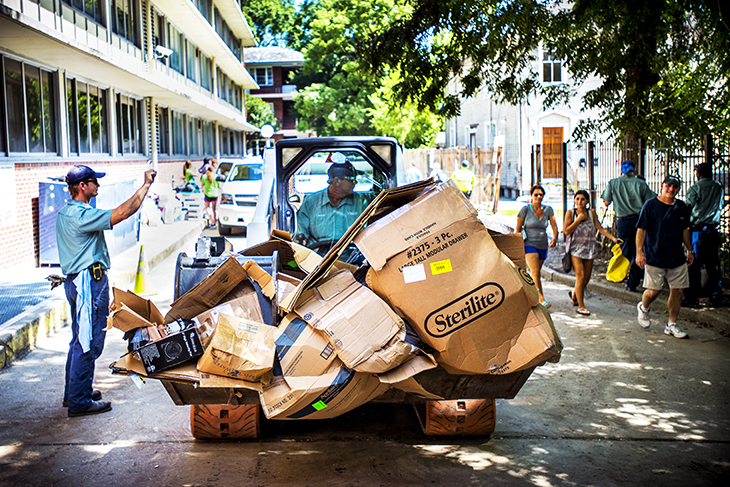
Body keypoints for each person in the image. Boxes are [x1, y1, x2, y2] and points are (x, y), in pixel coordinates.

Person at [56, 164, 156, 417]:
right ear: (82, 186)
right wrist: (145, 185)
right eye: (93, 181)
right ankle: (79, 401)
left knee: (79, 339)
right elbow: (123, 212)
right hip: (88, 283)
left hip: (78, 282)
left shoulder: (67, 213)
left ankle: (75, 393)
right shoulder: (81, 215)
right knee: (88, 342)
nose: (97, 185)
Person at [635, 175, 694, 339]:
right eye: (668, 186)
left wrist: (690, 250)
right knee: (654, 290)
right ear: (662, 186)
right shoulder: (651, 205)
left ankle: (671, 324)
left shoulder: (681, 207)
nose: (671, 189)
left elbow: (685, 231)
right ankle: (644, 307)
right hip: (655, 255)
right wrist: (639, 252)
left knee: (678, 290)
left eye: (675, 187)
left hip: (677, 257)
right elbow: (641, 230)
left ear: (678, 189)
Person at [601, 160, 656, 292]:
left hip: (622, 222)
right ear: (634, 169)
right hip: (639, 220)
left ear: (621, 169)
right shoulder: (640, 184)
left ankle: (627, 277)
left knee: (625, 250)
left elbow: (606, 201)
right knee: (639, 249)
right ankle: (634, 280)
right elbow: (651, 200)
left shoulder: (613, 183)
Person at [296, 161, 369, 256]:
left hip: (352, 258)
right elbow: (300, 237)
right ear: (337, 181)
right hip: (317, 259)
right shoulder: (311, 202)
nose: (355, 182)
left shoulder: (360, 202)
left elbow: (368, 234)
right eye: (352, 179)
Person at [564, 190, 619, 316]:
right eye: (577, 199)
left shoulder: (591, 213)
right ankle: (581, 306)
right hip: (575, 250)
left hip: (589, 249)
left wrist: (613, 238)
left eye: (582, 199)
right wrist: (578, 220)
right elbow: (566, 231)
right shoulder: (570, 213)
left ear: (587, 201)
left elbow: (599, 228)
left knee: (586, 279)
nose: (580, 202)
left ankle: (574, 295)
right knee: (581, 276)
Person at [682, 162, 725, 308]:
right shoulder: (718, 187)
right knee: (713, 265)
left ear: (698, 174)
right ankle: (715, 296)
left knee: (693, 265)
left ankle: (692, 297)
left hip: (698, 230)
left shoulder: (695, 188)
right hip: (712, 229)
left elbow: (688, 207)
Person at [515, 184, 559, 308]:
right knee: (535, 272)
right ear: (531, 196)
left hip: (543, 244)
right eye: (536, 194)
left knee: (536, 272)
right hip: (528, 243)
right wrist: (517, 245)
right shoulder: (525, 210)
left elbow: (554, 225)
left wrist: (555, 238)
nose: (538, 197)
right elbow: (518, 228)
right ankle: (541, 299)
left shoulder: (548, 210)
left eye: (541, 195)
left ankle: (528, 294)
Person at [200, 159, 219, 229]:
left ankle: (211, 219)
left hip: (207, 194)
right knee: (214, 209)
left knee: (207, 208)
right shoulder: (216, 176)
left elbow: (202, 185)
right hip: (215, 194)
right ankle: (214, 222)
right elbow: (219, 186)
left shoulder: (204, 176)